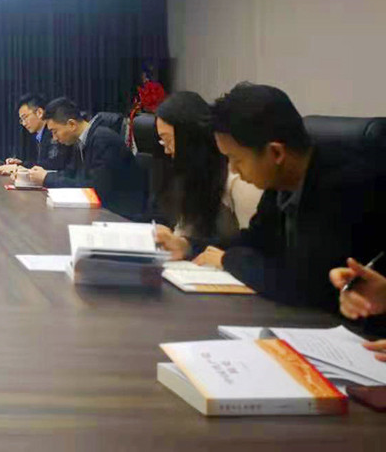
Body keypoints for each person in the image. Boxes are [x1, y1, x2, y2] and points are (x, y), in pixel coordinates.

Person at [203, 82, 386, 310]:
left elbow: (305, 286)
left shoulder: (344, 186)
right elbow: (255, 240)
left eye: (237, 159)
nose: (233, 169)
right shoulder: (280, 182)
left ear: (276, 152)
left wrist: (228, 259)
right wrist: (190, 246)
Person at [150, 92, 262, 260]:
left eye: (169, 141)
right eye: (163, 142)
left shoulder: (240, 180)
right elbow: (185, 236)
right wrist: (175, 241)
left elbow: (257, 250)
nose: (167, 150)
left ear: (190, 138)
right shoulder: (195, 175)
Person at [26, 97, 146, 219]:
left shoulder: (103, 140)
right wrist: (43, 175)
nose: (54, 138)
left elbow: (94, 189)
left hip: (121, 215)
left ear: (72, 124)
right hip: (101, 209)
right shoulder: (80, 141)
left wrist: (47, 178)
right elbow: (70, 173)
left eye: (55, 131)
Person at [0, 93, 71, 176]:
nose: (24, 123)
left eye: (25, 117)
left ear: (39, 112)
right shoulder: (37, 135)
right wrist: (21, 164)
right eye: (21, 120)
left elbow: (54, 164)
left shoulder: (54, 131)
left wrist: (19, 167)